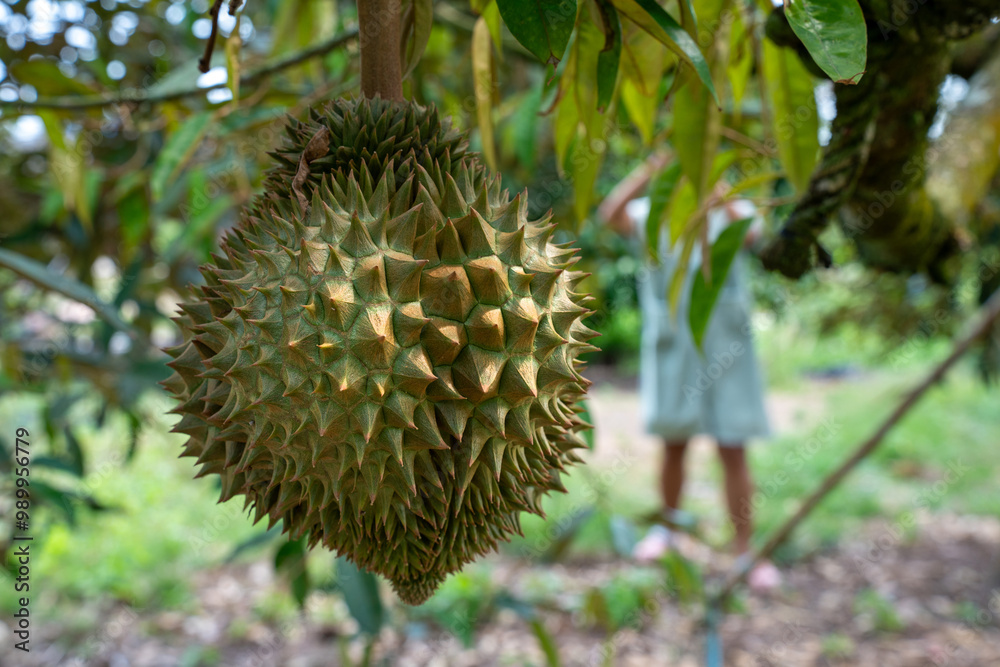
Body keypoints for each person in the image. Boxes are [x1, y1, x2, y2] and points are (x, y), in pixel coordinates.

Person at [598, 154, 781, 590]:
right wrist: (649, 168)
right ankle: (668, 532)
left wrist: (713, 184)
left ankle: (743, 549)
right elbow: (611, 215)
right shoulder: (654, 215)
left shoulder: (731, 210)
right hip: (675, 344)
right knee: (674, 442)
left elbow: (754, 235)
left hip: (727, 344)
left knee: (733, 445)